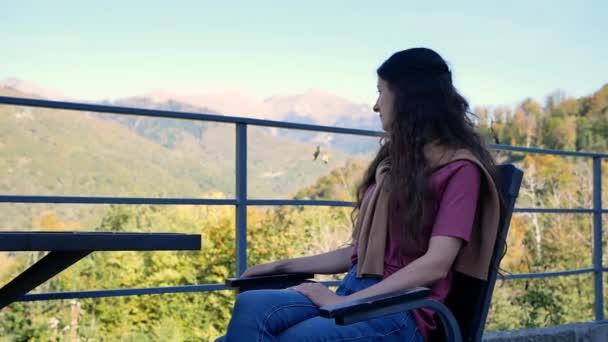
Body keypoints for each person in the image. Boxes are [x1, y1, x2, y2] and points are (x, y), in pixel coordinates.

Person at [216, 47, 502, 341]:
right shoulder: (397, 165)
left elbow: (435, 264)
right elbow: (357, 254)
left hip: (402, 309)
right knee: (250, 304)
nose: (376, 106)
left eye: (381, 92)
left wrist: (346, 303)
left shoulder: (460, 170)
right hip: (354, 290)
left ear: (407, 98)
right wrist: (281, 265)